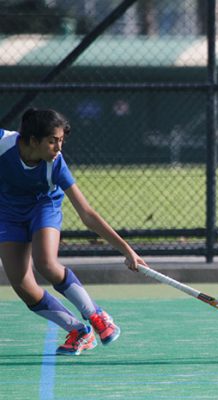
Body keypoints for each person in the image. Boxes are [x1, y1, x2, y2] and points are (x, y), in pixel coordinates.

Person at [0, 108, 146, 356]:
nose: (59, 148)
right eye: (53, 141)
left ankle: (97, 315)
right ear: (33, 141)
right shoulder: (3, 145)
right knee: (22, 285)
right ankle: (79, 331)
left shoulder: (55, 164)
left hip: (43, 206)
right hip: (8, 213)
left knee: (46, 262)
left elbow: (87, 213)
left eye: (61, 141)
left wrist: (127, 250)